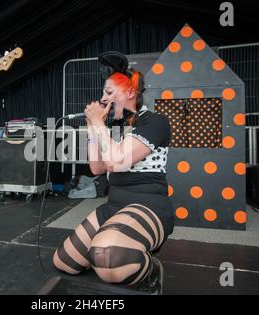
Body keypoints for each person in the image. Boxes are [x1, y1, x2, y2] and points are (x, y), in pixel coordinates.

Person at [53, 51, 174, 292]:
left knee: (107, 258)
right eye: (103, 93)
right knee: (64, 262)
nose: (103, 98)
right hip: (114, 206)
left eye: (109, 92)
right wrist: (91, 128)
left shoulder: (154, 122)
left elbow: (117, 160)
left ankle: (150, 269)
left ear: (130, 93)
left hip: (149, 207)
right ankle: (119, 247)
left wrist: (98, 124)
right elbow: (97, 167)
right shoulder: (116, 129)